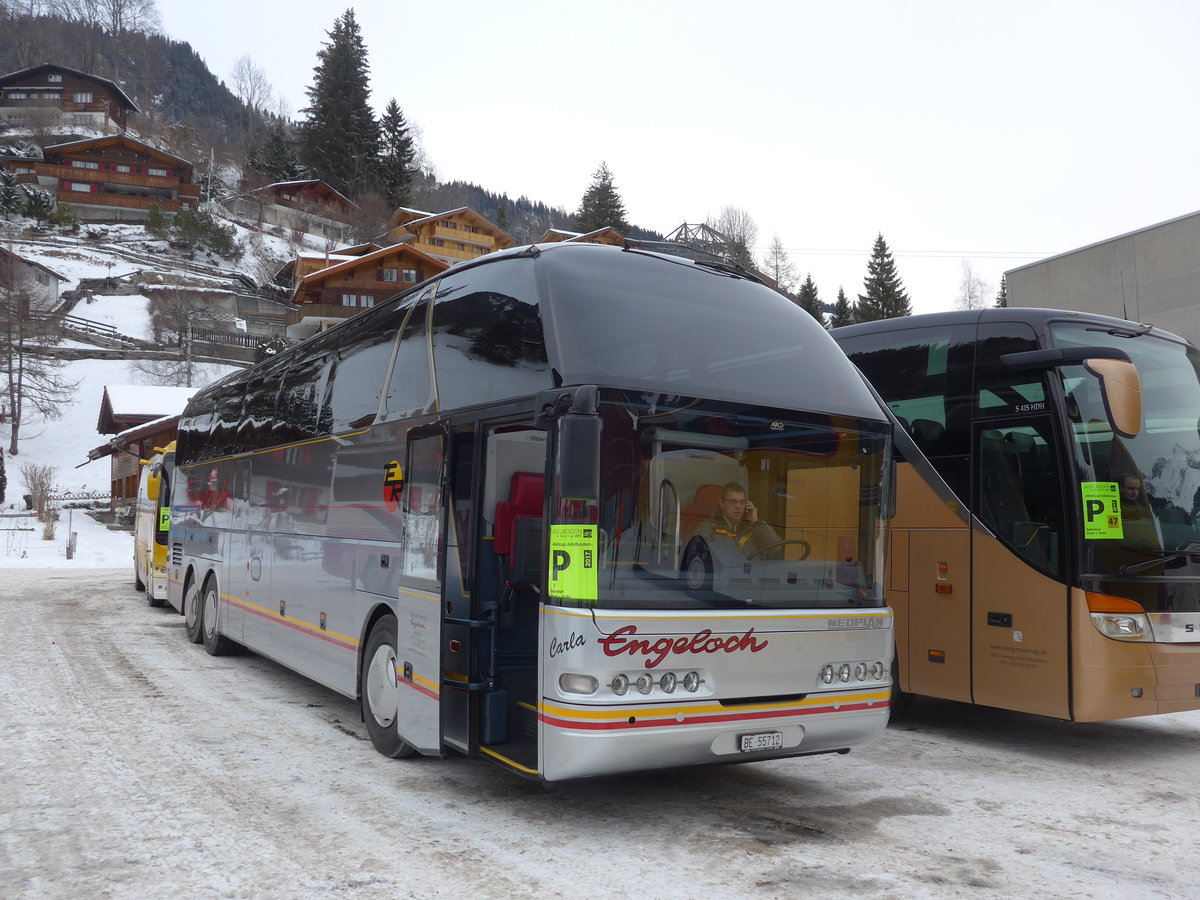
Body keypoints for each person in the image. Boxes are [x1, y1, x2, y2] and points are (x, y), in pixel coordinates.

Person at [694, 482, 779, 558]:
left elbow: (775, 549)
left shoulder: (753, 527)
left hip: (753, 573)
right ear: (722, 503)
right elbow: (699, 557)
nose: (738, 506)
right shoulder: (708, 527)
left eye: (742, 502)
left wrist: (755, 522)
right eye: (733, 502)